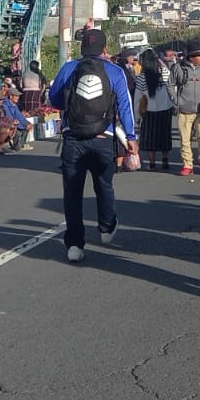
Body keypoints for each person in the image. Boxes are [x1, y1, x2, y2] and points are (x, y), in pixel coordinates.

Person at [45, 29, 139, 263]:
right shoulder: (115, 71)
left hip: (72, 139)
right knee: (104, 185)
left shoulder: (69, 68)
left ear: (81, 48)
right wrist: (130, 136)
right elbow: (126, 106)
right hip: (103, 139)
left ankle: (75, 245)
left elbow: (54, 99)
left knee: (72, 193)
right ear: (105, 49)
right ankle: (106, 228)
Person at [173, 45, 200, 177]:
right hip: (184, 110)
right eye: (199, 56)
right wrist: (175, 100)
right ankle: (187, 164)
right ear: (191, 57)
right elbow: (170, 84)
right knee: (185, 139)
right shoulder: (179, 68)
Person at [136, 49, 174, 170]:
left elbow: (137, 97)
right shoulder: (164, 73)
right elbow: (171, 89)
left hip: (149, 111)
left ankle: (152, 164)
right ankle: (165, 161)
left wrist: (137, 116)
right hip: (165, 109)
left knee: (149, 139)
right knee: (164, 136)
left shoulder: (142, 77)